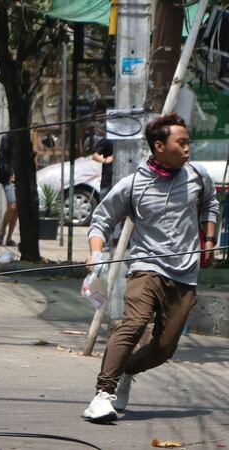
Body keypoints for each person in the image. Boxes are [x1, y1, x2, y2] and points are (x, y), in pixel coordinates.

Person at [82, 113, 218, 422]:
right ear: (159, 146)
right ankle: (103, 394)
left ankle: (127, 369)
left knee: (164, 348)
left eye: (188, 142)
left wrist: (208, 239)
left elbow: (210, 203)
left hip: (184, 273)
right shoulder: (132, 185)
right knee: (133, 323)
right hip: (145, 266)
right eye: (180, 142)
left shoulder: (197, 175)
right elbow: (101, 219)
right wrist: (95, 252)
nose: (187, 148)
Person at [0, 133, 18, 246]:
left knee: (17, 209)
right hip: (9, 178)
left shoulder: (24, 139)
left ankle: (9, 238)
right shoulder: (7, 139)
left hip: (21, 179)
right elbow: (1, 159)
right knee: (12, 205)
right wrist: (9, 173)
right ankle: (1, 231)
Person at [91, 128, 115, 199]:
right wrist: (104, 160)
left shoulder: (128, 140)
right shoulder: (107, 140)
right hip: (108, 179)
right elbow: (95, 156)